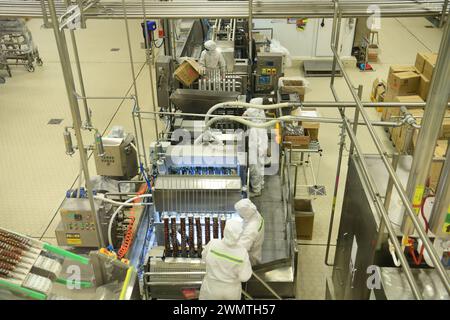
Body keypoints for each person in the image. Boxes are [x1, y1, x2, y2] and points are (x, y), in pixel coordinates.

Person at [199, 219, 252, 300]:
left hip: (211, 288)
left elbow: (204, 259)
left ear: (225, 231)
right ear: (239, 235)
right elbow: (244, 277)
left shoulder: (212, 244)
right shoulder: (242, 252)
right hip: (231, 291)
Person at [243, 98, 268, 197]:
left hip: (256, 143)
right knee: (260, 164)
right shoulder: (261, 116)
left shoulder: (255, 126)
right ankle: (260, 185)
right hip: (261, 143)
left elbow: (244, 116)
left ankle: (256, 189)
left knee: (254, 165)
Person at [234, 198, 264, 265]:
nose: (239, 214)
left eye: (240, 213)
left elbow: (242, 248)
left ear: (245, 212)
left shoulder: (251, 229)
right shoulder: (254, 213)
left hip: (250, 257)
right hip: (256, 247)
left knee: (252, 267)